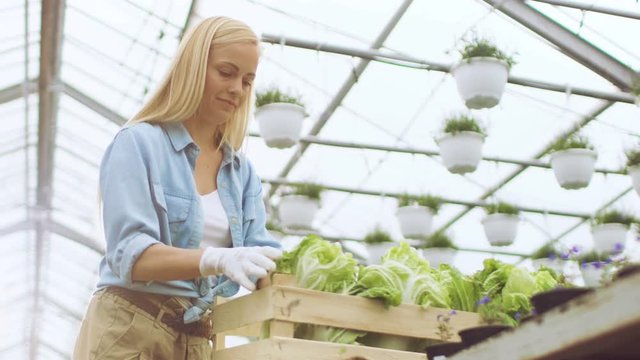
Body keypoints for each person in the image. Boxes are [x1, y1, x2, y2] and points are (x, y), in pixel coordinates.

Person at [73, 16, 282, 359]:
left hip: (196, 339)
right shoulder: (138, 144)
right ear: (193, 67)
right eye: (226, 73)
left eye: (247, 80)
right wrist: (216, 258)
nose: (237, 90)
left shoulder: (241, 173)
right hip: (129, 329)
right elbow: (131, 254)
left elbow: (263, 259)